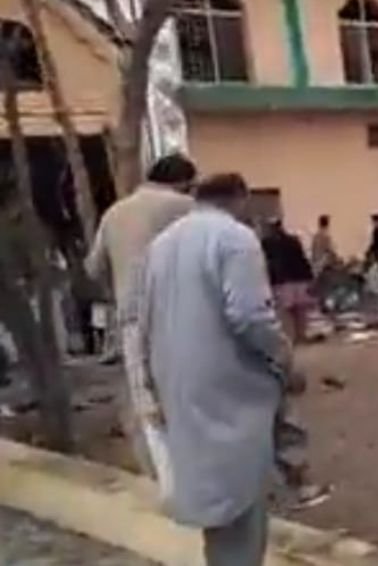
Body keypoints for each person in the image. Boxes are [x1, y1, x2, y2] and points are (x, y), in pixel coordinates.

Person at [140, 173, 287, 565]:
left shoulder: (161, 245)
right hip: (230, 385)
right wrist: (285, 358)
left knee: (215, 502)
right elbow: (249, 316)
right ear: (240, 198)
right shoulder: (235, 238)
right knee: (243, 499)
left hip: (178, 382)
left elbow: (144, 318)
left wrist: (150, 382)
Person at [84, 153, 196, 478]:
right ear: (183, 182)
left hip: (131, 316)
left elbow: (93, 268)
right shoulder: (183, 207)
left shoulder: (114, 213)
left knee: (147, 403)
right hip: (178, 314)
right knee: (188, 394)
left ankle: (164, 480)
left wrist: (118, 286)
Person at [260, 219, 315, 345]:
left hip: (281, 280)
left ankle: (291, 337)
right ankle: (300, 335)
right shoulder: (292, 241)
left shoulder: (267, 243)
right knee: (299, 310)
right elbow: (302, 259)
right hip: (296, 278)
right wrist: (309, 277)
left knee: (286, 311)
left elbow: (265, 263)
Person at [309, 215, 339, 311]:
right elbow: (330, 250)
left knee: (322, 286)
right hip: (326, 264)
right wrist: (338, 259)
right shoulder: (326, 235)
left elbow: (313, 251)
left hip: (318, 264)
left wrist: (314, 263)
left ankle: (322, 305)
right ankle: (329, 306)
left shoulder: (316, 236)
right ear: (328, 223)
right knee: (329, 286)